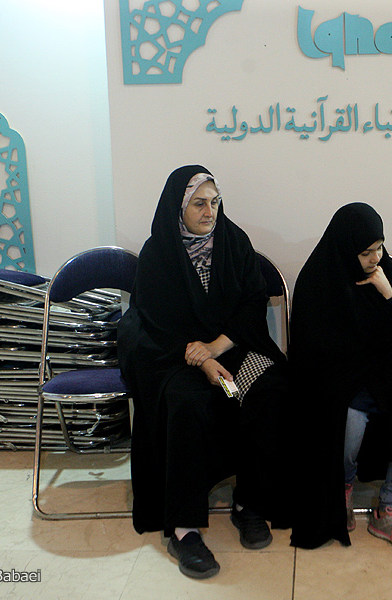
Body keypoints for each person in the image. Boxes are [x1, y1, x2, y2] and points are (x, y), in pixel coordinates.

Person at [117, 165, 288, 579]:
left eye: (214, 202)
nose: (209, 212)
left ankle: (249, 504)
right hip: (176, 356)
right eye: (198, 204)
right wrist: (204, 360)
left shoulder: (234, 241)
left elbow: (252, 304)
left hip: (231, 348)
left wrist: (217, 348)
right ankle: (184, 529)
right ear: (179, 208)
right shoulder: (159, 252)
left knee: (270, 388)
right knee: (187, 403)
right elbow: (155, 321)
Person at [289, 202, 392, 556]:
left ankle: (391, 508)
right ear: (345, 249)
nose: (375, 258)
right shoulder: (317, 279)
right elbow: (312, 352)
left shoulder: (386, 273)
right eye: (366, 252)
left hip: (384, 370)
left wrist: (389, 296)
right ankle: (340, 488)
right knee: (348, 417)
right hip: (338, 375)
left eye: (379, 247)